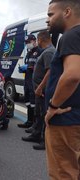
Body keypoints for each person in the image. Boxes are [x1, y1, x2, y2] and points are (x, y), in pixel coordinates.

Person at [44, 0, 80, 179]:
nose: (48, 20)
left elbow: (72, 75)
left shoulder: (71, 35)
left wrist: (53, 106)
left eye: (51, 14)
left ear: (67, 12)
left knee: (63, 173)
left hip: (65, 119)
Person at [21, 31, 55, 150]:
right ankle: (36, 134)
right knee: (39, 113)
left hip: (43, 90)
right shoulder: (46, 51)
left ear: (40, 40)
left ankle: (45, 141)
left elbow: (50, 71)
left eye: (37, 40)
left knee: (44, 114)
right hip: (39, 89)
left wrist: (40, 87)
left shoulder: (49, 52)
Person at [17, 34, 42, 128]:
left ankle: (35, 124)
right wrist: (24, 69)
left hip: (34, 81)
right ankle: (29, 121)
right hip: (27, 80)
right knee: (27, 101)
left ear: (34, 41)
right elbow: (28, 64)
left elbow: (40, 66)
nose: (27, 44)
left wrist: (29, 67)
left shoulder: (39, 51)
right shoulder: (28, 53)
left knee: (34, 103)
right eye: (26, 43)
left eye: (29, 42)